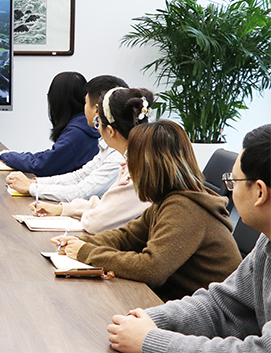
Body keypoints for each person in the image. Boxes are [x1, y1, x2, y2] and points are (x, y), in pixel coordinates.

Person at [107, 123, 271, 353]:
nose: (231, 190)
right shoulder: (266, 242)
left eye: (233, 182)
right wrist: (148, 320)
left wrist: (150, 340)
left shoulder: (184, 207)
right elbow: (221, 305)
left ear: (260, 192)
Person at [54, 120, 242, 301]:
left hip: (216, 315)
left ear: (148, 165)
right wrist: (80, 243)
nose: (126, 165)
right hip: (185, 302)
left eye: (130, 157)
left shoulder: (185, 208)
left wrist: (86, 252)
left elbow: (151, 269)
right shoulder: (168, 200)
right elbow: (127, 237)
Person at [29, 87, 155, 233]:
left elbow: (96, 222)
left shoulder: (139, 169)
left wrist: (78, 213)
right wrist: (63, 209)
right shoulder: (134, 159)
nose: (97, 129)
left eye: (98, 122)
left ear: (110, 131)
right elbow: (108, 204)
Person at [6, 75, 128, 201]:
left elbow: (82, 192)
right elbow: (80, 176)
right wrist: (34, 183)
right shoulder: (108, 145)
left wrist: (31, 187)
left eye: (86, 102)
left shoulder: (118, 155)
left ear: (97, 110)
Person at [0, 71, 99, 176]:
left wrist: (7, 157)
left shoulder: (76, 134)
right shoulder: (86, 125)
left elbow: (43, 165)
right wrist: (16, 156)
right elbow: (51, 156)